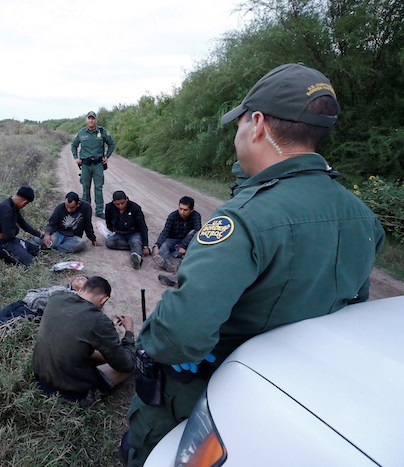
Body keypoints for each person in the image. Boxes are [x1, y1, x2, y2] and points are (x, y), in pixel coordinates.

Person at [124, 63, 385, 466]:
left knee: (149, 446)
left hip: (214, 388)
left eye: (239, 124)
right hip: (294, 392)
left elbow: (180, 335)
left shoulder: (242, 219)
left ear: (258, 124)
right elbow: (354, 307)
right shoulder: (361, 215)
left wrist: (146, 342)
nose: (238, 135)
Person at [32, 276, 136, 407]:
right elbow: (126, 364)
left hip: (40, 378)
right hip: (69, 394)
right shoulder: (99, 321)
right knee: (131, 362)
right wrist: (129, 331)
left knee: (80, 346)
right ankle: (88, 393)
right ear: (104, 299)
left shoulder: (57, 297)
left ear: (82, 289)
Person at [71, 111, 116, 218]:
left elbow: (111, 144)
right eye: (89, 118)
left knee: (98, 188)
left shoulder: (102, 132)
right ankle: (86, 210)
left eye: (93, 118)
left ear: (96, 120)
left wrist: (107, 156)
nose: (91, 120)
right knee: (86, 188)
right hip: (85, 165)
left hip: (98, 164)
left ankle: (99, 211)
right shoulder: (81, 132)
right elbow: (74, 145)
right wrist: (76, 157)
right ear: (86, 120)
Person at [0, 186, 44, 266]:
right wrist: (16, 229)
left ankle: (21, 249)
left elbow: (23, 224)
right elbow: (8, 235)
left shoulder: (13, 206)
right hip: (2, 244)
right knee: (31, 262)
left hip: (11, 240)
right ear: (24, 202)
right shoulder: (6, 209)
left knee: (36, 250)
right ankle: (2, 256)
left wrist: (40, 235)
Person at [104, 190, 150, 269]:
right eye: (117, 204)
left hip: (133, 232)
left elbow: (143, 227)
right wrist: (112, 230)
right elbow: (108, 221)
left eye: (122, 203)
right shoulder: (109, 207)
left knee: (135, 241)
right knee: (109, 242)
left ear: (127, 200)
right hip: (119, 233)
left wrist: (145, 246)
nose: (120, 206)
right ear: (113, 202)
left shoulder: (135, 208)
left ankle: (137, 257)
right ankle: (136, 247)